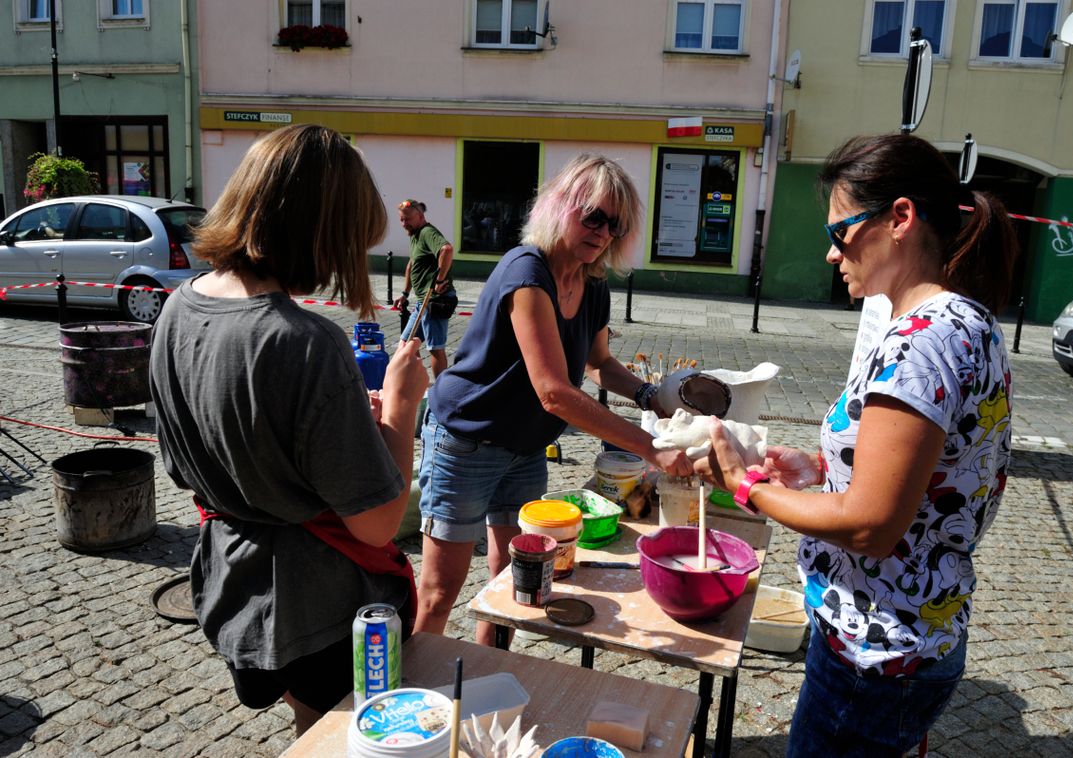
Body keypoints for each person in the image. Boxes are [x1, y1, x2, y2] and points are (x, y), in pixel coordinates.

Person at [693, 133, 1017, 756]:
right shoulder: (964, 322)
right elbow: (924, 471)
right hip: (915, 633)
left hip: (877, 648)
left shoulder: (920, 341)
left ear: (899, 219)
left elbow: (872, 525)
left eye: (841, 232)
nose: (831, 252)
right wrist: (819, 467)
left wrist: (745, 486)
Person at [148, 125, 429, 736]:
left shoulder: (177, 307)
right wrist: (402, 409)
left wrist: (343, 422)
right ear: (321, 234)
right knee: (338, 736)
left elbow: (188, 459)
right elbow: (379, 522)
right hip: (319, 607)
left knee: (305, 725)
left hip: (231, 581)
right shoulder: (305, 341)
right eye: (349, 242)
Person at [413, 154, 693, 646]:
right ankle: (406, 705)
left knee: (513, 583)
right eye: (593, 215)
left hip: (523, 451)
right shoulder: (527, 270)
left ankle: (486, 676)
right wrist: (652, 448)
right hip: (465, 442)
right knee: (439, 592)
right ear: (560, 206)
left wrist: (653, 396)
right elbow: (554, 392)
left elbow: (599, 363)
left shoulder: (593, 281)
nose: (603, 232)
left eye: (615, 224)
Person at [393, 199, 456, 378]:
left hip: (435, 300)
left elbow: (447, 250)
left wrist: (439, 280)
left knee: (435, 348)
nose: (404, 224)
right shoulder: (415, 235)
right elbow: (411, 265)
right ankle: (418, 382)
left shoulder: (428, 232)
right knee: (406, 344)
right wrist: (405, 293)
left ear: (420, 216)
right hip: (423, 302)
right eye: (402, 220)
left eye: (408, 219)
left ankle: (440, 392)